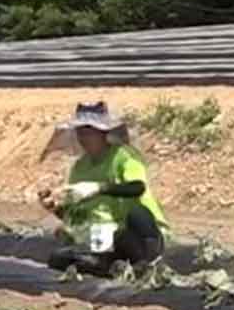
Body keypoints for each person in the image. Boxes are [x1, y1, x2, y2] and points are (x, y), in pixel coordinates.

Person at [42, 102, 170, 275]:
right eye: (80, 132)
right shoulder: (80, 167)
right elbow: (78, 218)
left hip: (136, 233)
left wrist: (99, 188)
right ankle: (109, 267)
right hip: (104, 237)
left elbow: (137, 187)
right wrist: (55, 208)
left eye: (89, 132)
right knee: (60, 258)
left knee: (136, 215)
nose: (83, 138)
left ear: (103, 133)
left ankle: (148, 264)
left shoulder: (123, 157)